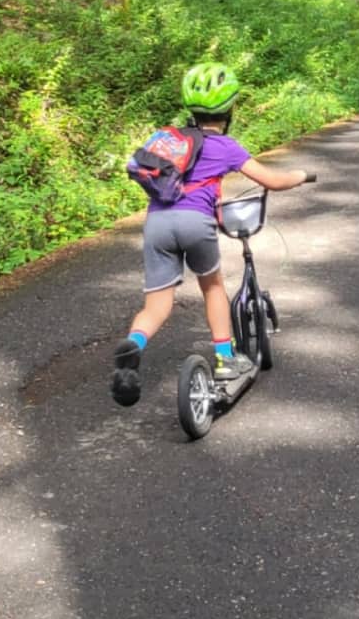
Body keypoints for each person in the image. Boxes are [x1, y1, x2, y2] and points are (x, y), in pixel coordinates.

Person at [111, 61, 311, 407]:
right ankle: (224, 358)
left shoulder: (171, 141)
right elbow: (273, 181)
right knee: (213, 286)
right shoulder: (226, 147)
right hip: (194, 224)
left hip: (157, 224)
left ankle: (135, 344)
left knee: (156, 305)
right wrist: (303, 174)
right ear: (229, 108)